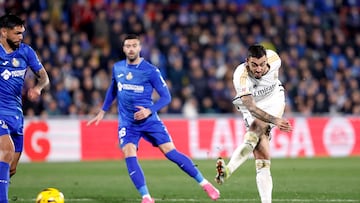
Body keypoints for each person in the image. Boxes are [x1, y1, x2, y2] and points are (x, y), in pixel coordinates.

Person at [87, 34, 220, 203]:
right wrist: (102, 110)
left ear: (140, 48)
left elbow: (166, 97)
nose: (131, 49)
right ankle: (146, 197)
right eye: (128, 46)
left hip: (149, 121)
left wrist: (149, 111)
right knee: (128, 152)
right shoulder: (117, 68)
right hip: (128, 123)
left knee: (170, 152)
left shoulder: (150, 70)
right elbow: (113, 89)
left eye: (134, 45)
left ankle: (205, 184)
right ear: (123, 48)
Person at [215, 44, 292, 203]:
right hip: (252, 107)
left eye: (262, 64)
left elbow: (273, 76)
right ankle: (228, 172)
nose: (259, 69)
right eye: (254, 65)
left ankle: (228, 170)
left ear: (267, 61)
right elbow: (251, 107)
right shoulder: (240, 76)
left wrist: (274, 118)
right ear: (246, 62)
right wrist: (275, 121)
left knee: (258, 128)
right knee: (261, 157)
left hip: (273, 101)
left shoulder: (275, 59)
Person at [0, 14, 50, 202]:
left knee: (11, 168)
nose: (21, 37)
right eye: (17, 33)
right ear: (4, 32)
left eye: (22, 33)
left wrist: (38, 88)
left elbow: (44, 78)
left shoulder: (26, 52)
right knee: (6, 149)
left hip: (16, 114)